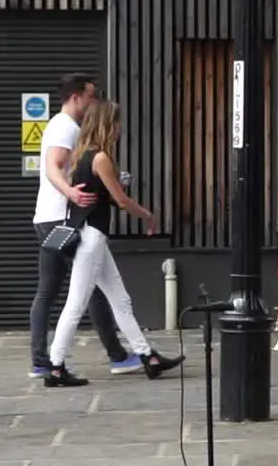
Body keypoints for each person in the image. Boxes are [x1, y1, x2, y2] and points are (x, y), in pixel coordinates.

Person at [44, 99, 183, 387]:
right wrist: (147, 215)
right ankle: (55, 366)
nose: (120, 129)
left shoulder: (82, 156)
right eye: (117, 123)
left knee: (120, 300)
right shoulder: (100, 158)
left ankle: (148, 358)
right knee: (76, 303)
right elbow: (120, 199)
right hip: (91, 238)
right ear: (108, 124)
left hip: (90, 236)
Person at [29, 73, 142, 378]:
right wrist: (72, 194)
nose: (95, 101)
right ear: (77, 97)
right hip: (62, 218)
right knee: (89, 291)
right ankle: (116, 356)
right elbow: (53, 166)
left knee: (50, 291)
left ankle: (41, 361)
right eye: (92, 96)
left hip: (47, 217)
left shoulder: (58, 124)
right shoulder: (66, 127)